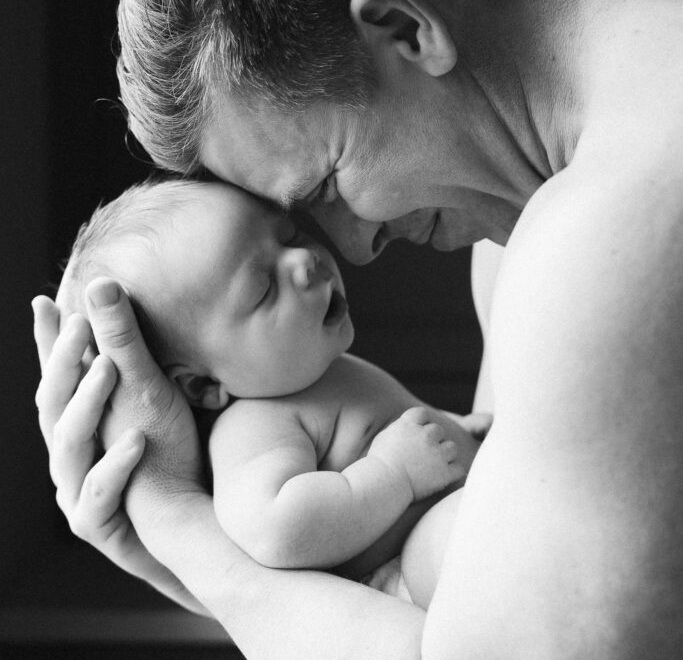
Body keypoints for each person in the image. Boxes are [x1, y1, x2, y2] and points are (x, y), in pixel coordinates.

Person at [34, 0, 683, 660]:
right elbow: (473, 625)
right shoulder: (523, 235)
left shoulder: (617, 230)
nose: (351, 251)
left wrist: (178, 525)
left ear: (401, 27)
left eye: (325, 189)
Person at [56, 175, 483, 598]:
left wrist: (458, 429)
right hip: (405, 578)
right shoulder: (251, 428)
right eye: (263, 289)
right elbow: (278, 529)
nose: (303, 260)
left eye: (289, 235)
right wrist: (393, 474)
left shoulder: (316, 371)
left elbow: (389, 418)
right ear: (204, 384)